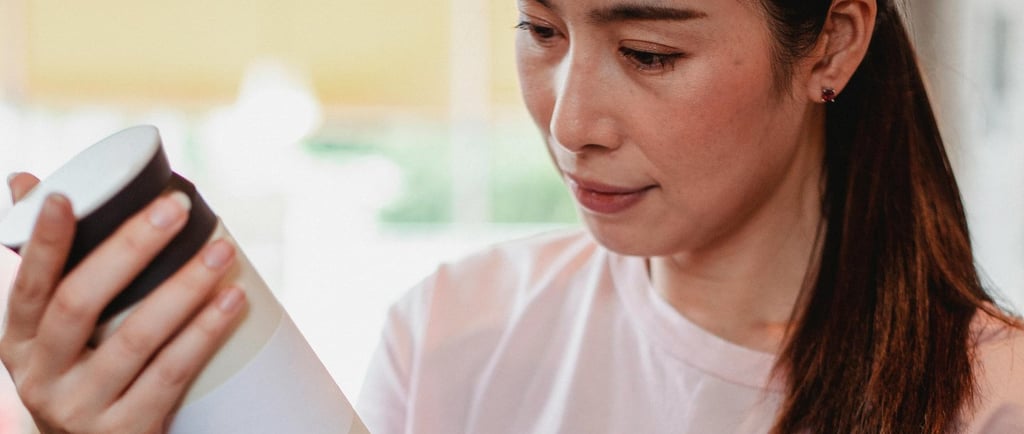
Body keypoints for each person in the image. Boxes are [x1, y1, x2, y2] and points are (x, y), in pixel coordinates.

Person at [3, 0, 1023, 432]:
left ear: (833, 44)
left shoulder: (992, 399)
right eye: (540, 29)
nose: (570, 123)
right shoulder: (452, 331)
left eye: (649, 54)